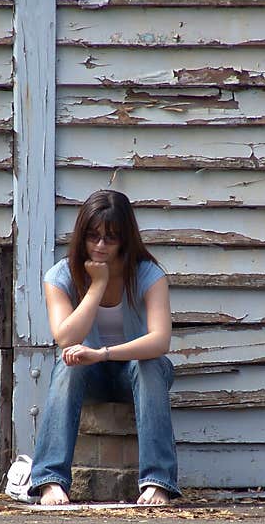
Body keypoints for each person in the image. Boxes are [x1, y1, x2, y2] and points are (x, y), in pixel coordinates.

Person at [27, 189, 180, 506]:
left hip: (134, 374)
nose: (99, 246)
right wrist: (96, 285)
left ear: (125, 239)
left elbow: (160, 340)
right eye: (93, 236)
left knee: (149, 362)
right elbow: (66, 338)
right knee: (69, 363)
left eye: (110, 238)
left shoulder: (149, 275)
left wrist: (103, 353)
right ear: (81, 236)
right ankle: (50, 480)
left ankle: (158, 482)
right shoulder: (60, 276)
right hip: (89, 375)